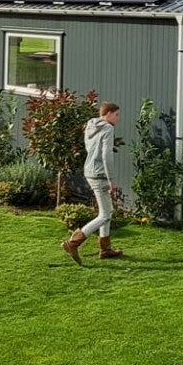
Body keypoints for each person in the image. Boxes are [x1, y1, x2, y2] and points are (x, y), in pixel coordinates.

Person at [64, 102, 123, 264]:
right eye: (117, 114)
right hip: (100, 174)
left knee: (107, 212)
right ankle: (73, 242)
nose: (118, 118)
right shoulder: (108, 129)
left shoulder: (90, 126)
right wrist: (112, 181)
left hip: (90, 170)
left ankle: (105, 249)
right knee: (105, 214)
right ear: (109, 113)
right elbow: (106, 156)